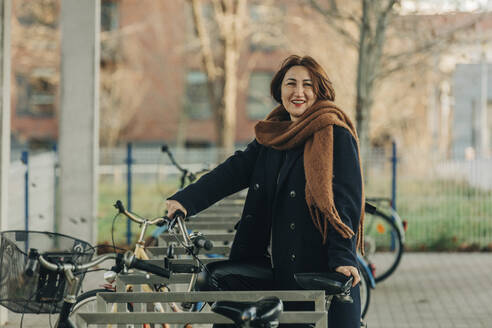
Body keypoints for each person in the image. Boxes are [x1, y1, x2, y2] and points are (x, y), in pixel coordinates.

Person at [165, 55, 365, 328]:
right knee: (221, 281)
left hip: (319, 269)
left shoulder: (334, 134)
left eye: (307, 85)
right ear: (279, 90)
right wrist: (185, 201)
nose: (298, 92)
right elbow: (232, 171)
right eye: (290, 84)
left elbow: (345, 203)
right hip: (282, 268)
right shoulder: (273, 137)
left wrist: (343, 258)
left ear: (319, 91)